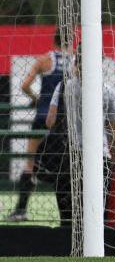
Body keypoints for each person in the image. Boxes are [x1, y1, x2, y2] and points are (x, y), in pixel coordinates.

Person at [5, 30, 72, 222]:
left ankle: (21, 210)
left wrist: (36, 99)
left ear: (54, 40)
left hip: (43, 117)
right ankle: (73, 209)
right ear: (72, 40)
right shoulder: (75, 62)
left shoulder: (44, 60)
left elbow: (25, 84)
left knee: (30, 163)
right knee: (67, 165)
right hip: (65, 121)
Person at [46, 64, 115, 227]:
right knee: (96, 214)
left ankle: (66, 247)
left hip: (69, 156)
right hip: (99, 157)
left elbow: (50, 121)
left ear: (75, 65)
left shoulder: (63, 86)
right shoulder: (106, 89)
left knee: (68, 216)